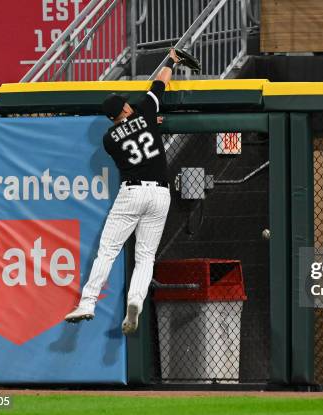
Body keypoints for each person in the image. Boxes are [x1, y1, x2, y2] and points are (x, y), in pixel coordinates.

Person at [64, 49, 181, 335]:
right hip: (160, 194)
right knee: (145, 258)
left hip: (132, 193)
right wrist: (172, 61)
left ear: (111, 117)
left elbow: (127, 130)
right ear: (127, 108)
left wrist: (148, 123)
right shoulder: (145, 111)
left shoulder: (108, 139)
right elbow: (159, 84)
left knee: (108, 251)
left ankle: (88, 303)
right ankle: (135, 300)